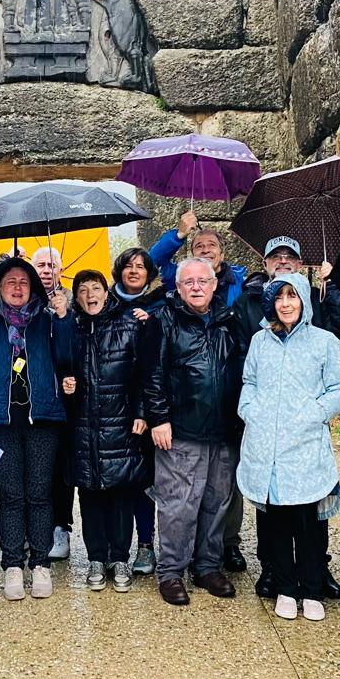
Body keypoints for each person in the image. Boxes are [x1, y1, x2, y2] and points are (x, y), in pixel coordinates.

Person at [231, 234, 340, 596]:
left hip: (303, 425)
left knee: (310, 503)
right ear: (266, 263)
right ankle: (274, 568)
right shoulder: (250, 300)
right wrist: (251, 410)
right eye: (276, 256)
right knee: (270, 502)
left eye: (289, 256)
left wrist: (334, 285)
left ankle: (316, 571)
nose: (282, 261)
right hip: (267, 420)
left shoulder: (317, 296)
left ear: (300, 264)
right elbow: (245, 360)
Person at [0, 257, 74, 601]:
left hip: (42, 417)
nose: (18, 288)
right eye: (10, 281)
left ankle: (40, 562)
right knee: (10, 495)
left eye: (24, 281)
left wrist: (63, 317)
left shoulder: (46, 317)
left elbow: (68, 355)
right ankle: (12, 564)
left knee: (39, 493)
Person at [140, 258, 246, 605]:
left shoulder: (229, 320)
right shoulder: (163, 321)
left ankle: (207, 566)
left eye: (203, 281)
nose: (196, 287)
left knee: (217, 502)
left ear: (215, 285)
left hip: (224, 429)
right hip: (181, 430)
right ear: (178, 287)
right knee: (178, 505)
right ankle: (171, 570)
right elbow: (151, 374)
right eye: (189, 282)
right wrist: (159, 418)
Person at [63, 270, 150, 593]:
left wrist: (142, 412)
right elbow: (61, 366)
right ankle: (96, 558)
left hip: (121, 424)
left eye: (95, 288)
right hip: (83, 427)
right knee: (89, 495)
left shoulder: (128, 325)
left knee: (120, 494)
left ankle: (120, 557)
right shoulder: (71, 328)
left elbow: (143, 373)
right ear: (76, 297)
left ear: (106, 291)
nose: (90, 295)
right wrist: (66, 385)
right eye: (83, 290)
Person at [111, 246, 162, 576]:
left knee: (143, 480)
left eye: (140, 267)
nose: (133, 271)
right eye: (128, 265)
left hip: (144, 408)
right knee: (117, 482)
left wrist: (152, 323)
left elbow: (153, 367)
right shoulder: (106, 304)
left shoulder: (160, 305)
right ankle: (116, 548)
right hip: (111, 408)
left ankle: (146, 544)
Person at [30, 245, 77, 562]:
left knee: (61, 466)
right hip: (32, 394)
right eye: (41, 265)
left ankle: (61, 526)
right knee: (35, 467)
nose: (46, 270)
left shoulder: (71, 299)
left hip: (64, 395)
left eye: (51, 265)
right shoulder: (24, 297)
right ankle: (34, 529)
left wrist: (63, 315)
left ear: (60, 270)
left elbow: (74, 349)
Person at [147, 211, 248, 307]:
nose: (205, 250)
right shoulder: (179, 276)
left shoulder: (241, 282)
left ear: (222, 254)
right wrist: (179, 234)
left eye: (212, 245)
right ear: (193, 255)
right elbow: (150, 261)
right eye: (199, 246)